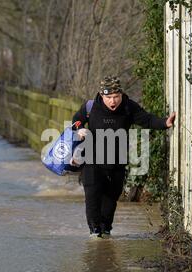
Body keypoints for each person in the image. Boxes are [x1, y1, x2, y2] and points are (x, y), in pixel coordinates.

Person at [71, 76, 176, 239]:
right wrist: (79, 130)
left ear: (121, 94)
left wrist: (165, 123)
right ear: (101, 95)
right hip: (92, 162)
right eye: (109, 98)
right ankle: (94, 233)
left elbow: (147, 120)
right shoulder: (90, 107)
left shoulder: (128, 107)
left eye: (116, 97)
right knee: (92, 199)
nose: (113, 101)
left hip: (117, 163)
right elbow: (76, 121)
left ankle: (106, 231)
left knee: (110, 202)